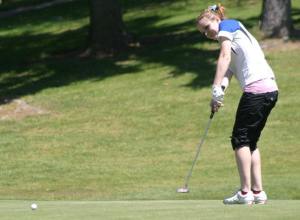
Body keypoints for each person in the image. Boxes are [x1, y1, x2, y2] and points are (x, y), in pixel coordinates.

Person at [196, 4, 278, 205]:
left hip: (257, 90)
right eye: (202, 32)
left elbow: (223, 57)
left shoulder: (229, 25)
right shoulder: (232, 36)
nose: (206, 34)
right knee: (250, 140)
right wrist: (219, 93)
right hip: (269, 90)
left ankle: (244, 192)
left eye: (207, 28)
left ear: (216, 20)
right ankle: (258, 192)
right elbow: (229, 71)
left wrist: (214, 86)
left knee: (240, 139)